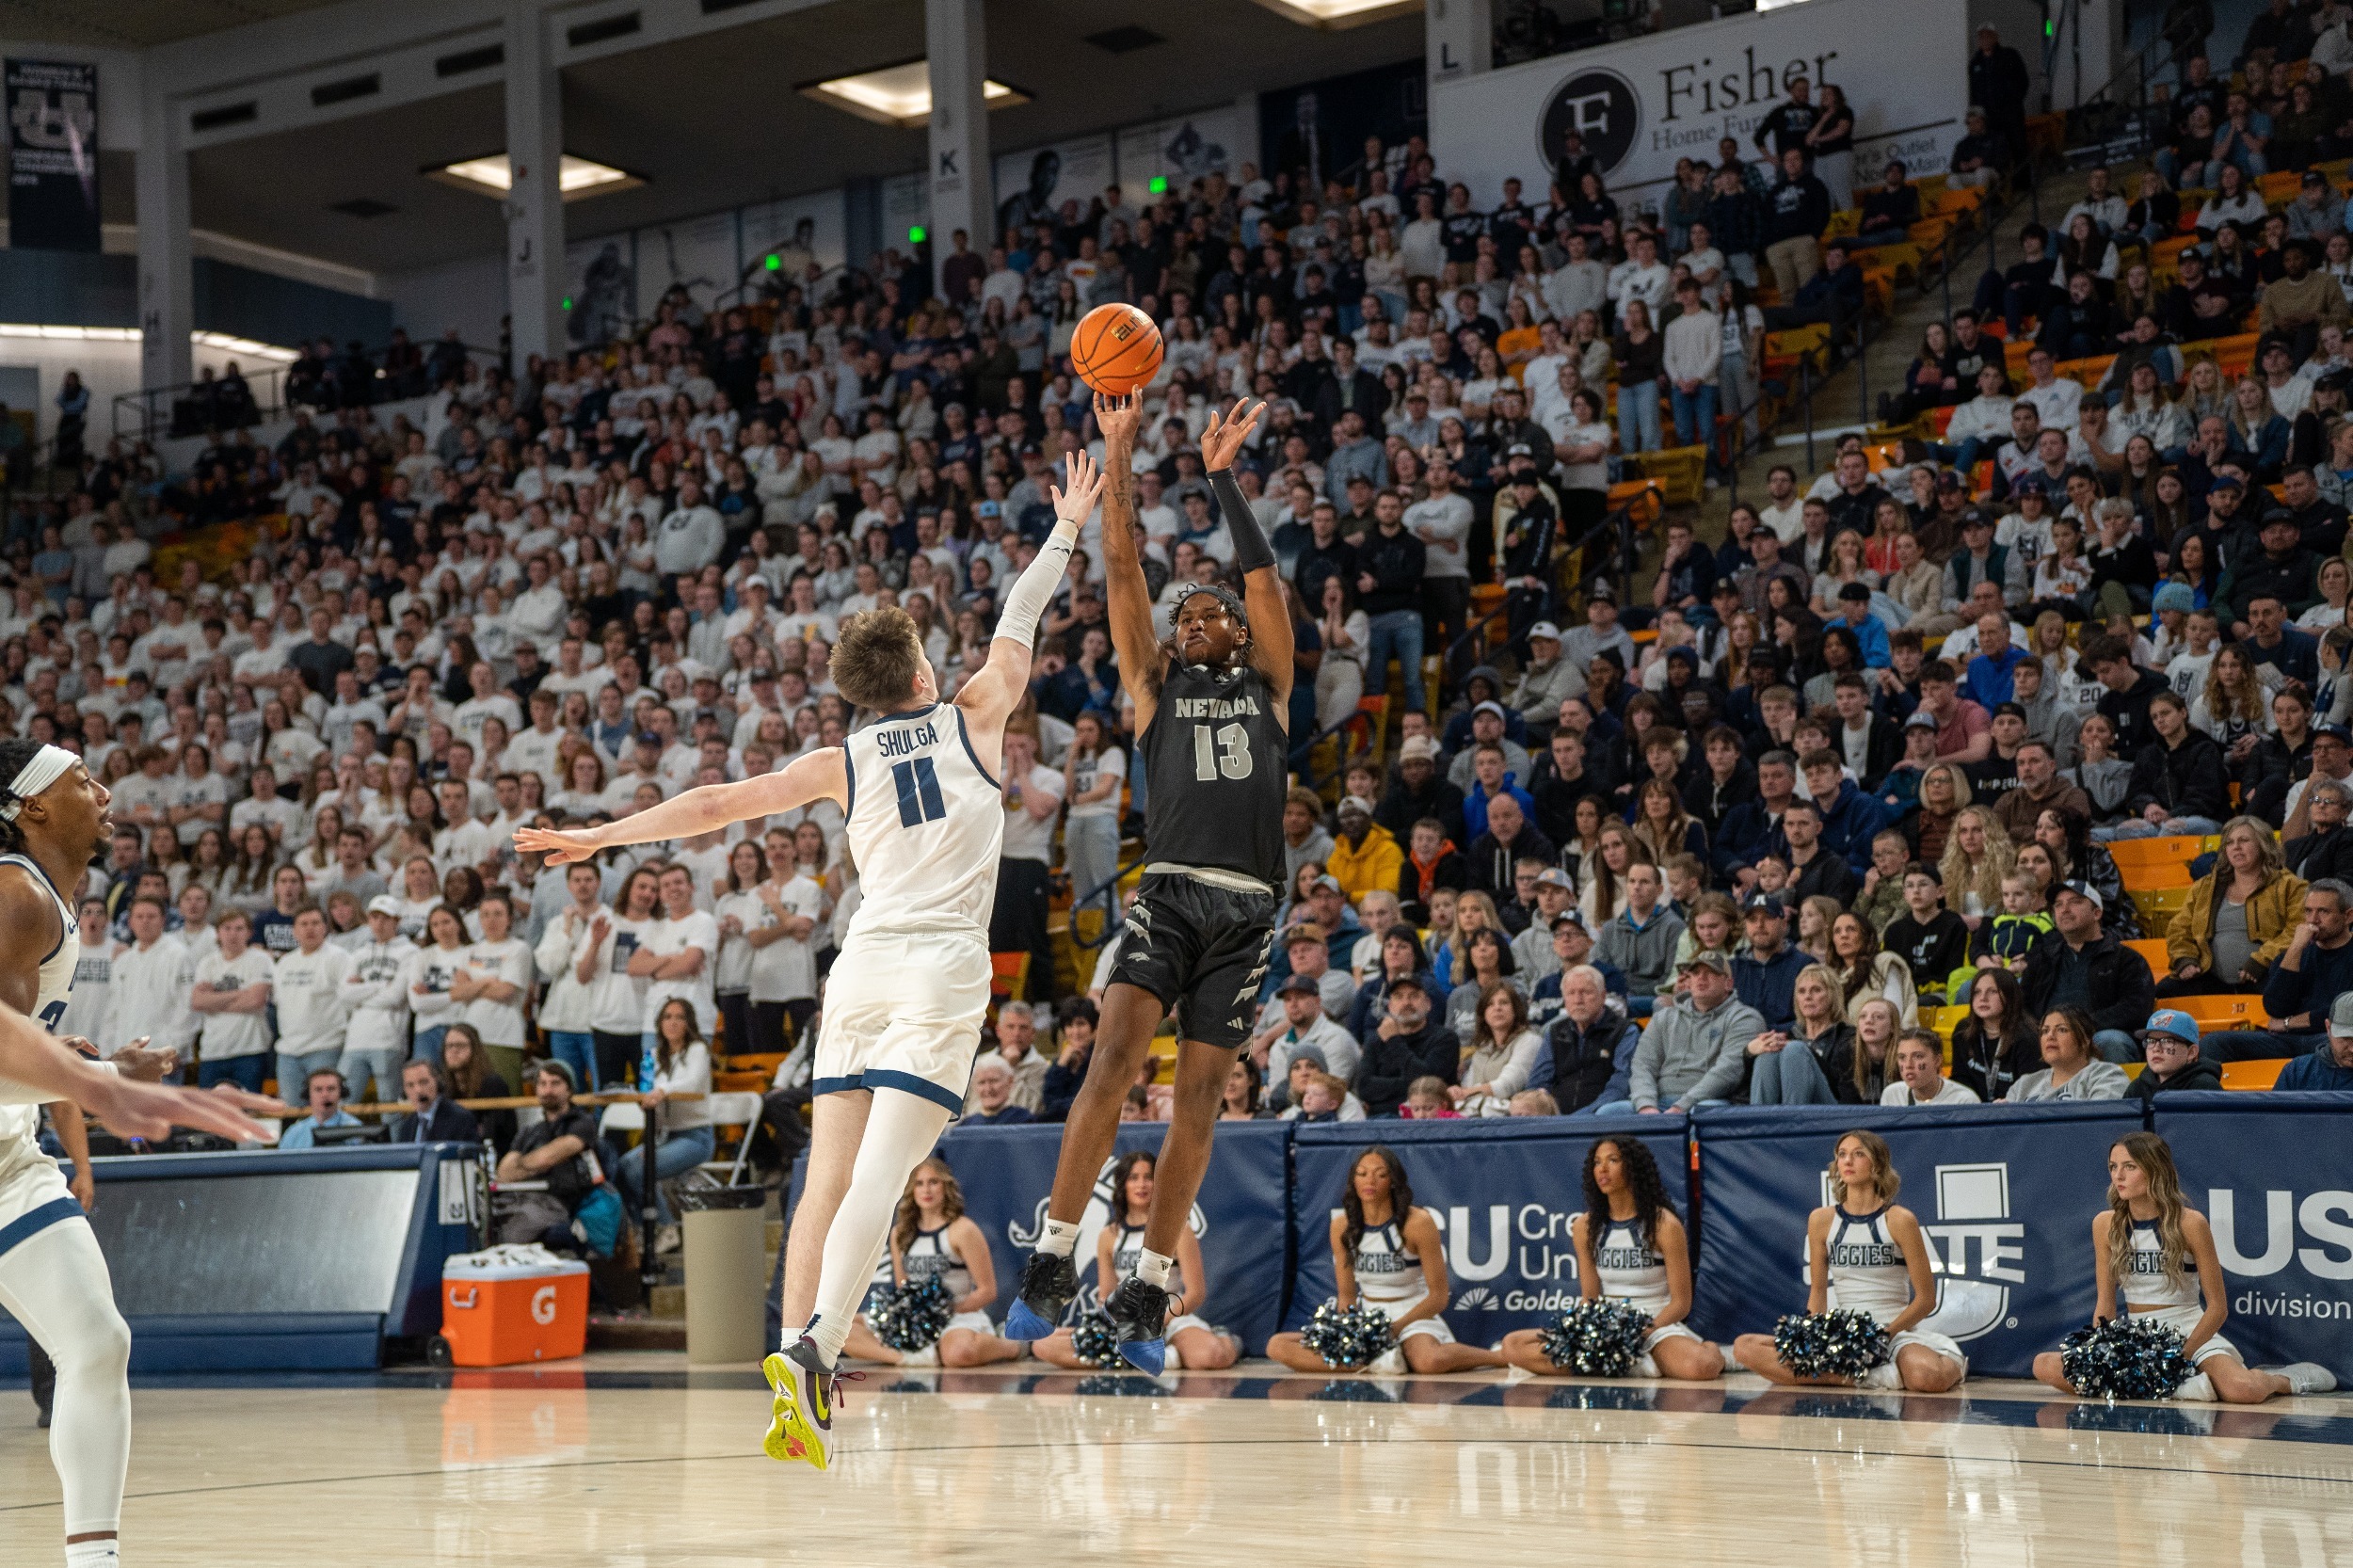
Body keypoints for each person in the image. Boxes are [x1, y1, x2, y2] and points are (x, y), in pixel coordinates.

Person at [515, 442, 1104, 1472]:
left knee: (828, 1173)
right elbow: (1021, 615)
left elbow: (715, 803)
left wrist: (600, 836)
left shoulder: (841, 759)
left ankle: (798, 1352)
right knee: (883, 1173)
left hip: (859, 966)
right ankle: (813, 1348)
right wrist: (1066, 527)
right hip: (940, 969)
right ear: (922, 673)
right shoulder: (976, 711)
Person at [1004, 399, 1298, 1378]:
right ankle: (1054, 1252)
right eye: (1189, 616)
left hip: (1248, 907)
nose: (1201, 618)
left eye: (1214, 611)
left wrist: (1221, 479)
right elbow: (1124, 568)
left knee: (1201, 1097)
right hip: (1168, 895)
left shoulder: (1271, 688)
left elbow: (1265, 578)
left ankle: (1150, 1275)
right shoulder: (1151, 687)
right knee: (1112, 1061)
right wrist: (1121, 450)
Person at [0, 742, 276, 1568]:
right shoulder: (15, 896)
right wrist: (107, 1085)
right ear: (32, 806)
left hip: (10, 1160)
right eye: (81, 779)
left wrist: (94, 1070)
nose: (105, 791)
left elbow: (20, 1050)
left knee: (95, 1341)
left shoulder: (43, 898)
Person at [2032, 1132, 2334, 1402]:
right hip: (2134, 1336)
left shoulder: (2190, 1223)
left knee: (2242, 1389)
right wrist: (2101, 1352)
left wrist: (2178, 1358)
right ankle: (2180, 1387)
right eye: (2113, 1166)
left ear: (2155, 1170)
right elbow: (2105, 1306)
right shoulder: (2105, 1224)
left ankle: (2281, 1379)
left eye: (2130, 1167)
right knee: (2044, 1365)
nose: (2118, 1176)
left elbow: (2218, 1308)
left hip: (2189, 1330)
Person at [1733, 1130, 1968, 1392]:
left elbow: (1926, 1300)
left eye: (1858, 1154)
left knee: (1926, 1376)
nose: (1847, 1161)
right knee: (1745, 1347)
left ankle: (1931, 1365)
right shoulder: (1821, 1220)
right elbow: (1818, 1294)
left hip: (1893, 1331)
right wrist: (1812, 1338)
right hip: (1843, 1335)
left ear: (1877, 1165)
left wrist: (1883, 1335)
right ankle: (1872, 1377)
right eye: (1842, 1154)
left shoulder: (1899, 1220)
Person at [1265, 1146, 1505, 1374]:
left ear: (1392, 1181)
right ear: (1353, 1181)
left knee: (1429, 1361)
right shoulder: (1341, 1225)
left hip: (1413, 1314)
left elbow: (1439, 1297)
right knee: (1278, 1346)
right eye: (1362, 1174)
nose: (1369, 1181)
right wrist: (1348, 1332)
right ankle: (1377, 1363)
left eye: (1380, 1175)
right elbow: (1347, 1296)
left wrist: (1395, 1328)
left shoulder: (1418, 1222)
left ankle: (1499, 1356)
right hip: (1368, 1315)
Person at [1499, 1136, 1722, 1380]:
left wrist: (1645, 1331)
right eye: (1597, 1162)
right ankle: (1631, 1364)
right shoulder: (1584, 1226)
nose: (1602, 1169)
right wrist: (1588, 1332)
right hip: (1606, 1328)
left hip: (1656, 1325)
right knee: (1514, 1344)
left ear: (1633, 1168)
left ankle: (1707, 1350)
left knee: (1700, 1366)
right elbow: (1590, 1298)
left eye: (1613, 1160)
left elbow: (1681, 1303)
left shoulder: (1664, 1224)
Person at [1032, 1150, 1239, 1371]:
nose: (1142, 1185)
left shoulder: (1179, 1229)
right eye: (1133, 1178)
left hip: (1171, 1318)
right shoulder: (1109, 1235)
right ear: (1122, 1185)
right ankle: (1162, 1358)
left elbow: (1196, 1293)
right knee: (1043, 1346)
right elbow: (1106, 1296)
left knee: (1210, 1356)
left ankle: (1225, 1340)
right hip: (1128, 1325)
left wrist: (1155, 1322)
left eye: (1149, 1177)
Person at [837, 1157, 1025, 1368]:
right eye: (919, 1183)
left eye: (933, 1182)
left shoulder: (963, 1229)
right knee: (841, 1328)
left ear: (946, 1186)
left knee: (958, 1354)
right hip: (915, 1316)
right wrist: (914, 1316)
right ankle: (908, 1358)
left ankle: (1011, 1346)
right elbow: (902, 1286)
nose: (926, 1190)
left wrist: (945, 1311)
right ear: (912, 1190)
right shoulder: (900, 1233)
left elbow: (987, 1291)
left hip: (957, 1314)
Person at [1594, 951, 1763, 1114]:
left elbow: (1728, 1071)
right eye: (1695, 973)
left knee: (1708, 1112)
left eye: (1711, 973)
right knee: (1608, 1113)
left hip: (1707, 1101)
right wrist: (1646, 1105)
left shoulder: (1744, 1018)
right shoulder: (1663, 1017)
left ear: (1728, 984)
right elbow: (1642, 1065)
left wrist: (1681, 1106)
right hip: (1657, 1102)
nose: (1701, 978)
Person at [2160, 815, 2305, 997]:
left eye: (2244, 840)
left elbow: (2298, 930)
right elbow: (2179, 928)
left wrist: (2262, 961)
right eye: (2229, 842)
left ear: (2263, 845)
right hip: (2209, 977)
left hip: (2267, 973)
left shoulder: (2290, 886)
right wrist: (2185, 958)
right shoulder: (2205, 887)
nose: (2236, 847)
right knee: (2161, 993)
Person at [615, 998, 716, 1256]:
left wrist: (661, 1091)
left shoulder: (698, 1050)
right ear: (660, 1023)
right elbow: (649, 1094)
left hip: (695, 1136)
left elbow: (692, 1083)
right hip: (664, 1135)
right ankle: (641, 1228)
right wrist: (646, 1102)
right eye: (667, 1017)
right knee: (623, 1166)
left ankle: (665, 1226)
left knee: (640, 1169)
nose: (673, 1022)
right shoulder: (653, 1056)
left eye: (679, 1017)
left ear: (689, 1023)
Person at [2020, 880, 2155, 1063]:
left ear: (2096, 913)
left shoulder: (2127, 959)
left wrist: (2081, 1025)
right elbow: (2022, 1005)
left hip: (2098, 1034)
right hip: (2048, 1035)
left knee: (2110, 1041)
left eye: (2075, 902)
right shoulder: (2042, 959)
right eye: (2058, 905)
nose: (2064, 909)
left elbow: (2135, 1008)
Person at [2008, 1006, 2130, 1101]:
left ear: (2085, 1039)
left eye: (2062, 1030)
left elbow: (2100, 1123)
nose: (2050, 1036)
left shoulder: (2106, 1076)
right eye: (2045, 1031)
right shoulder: (2023, 1085)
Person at [2126, 1008, 2222, 1100]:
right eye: (2151, 1041)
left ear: (2191, 1052)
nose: (2156, 1048)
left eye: (2167, 1041)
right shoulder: (2137, 1088)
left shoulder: (2205, 1087)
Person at [392, 1056, 480, 1144]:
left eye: (423, 1082)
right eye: (410, 1085)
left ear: (437, 1082)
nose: (418, 1090)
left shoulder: (460, 1119)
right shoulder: (407, 1126)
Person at [1881, 1027, 1980, 1105]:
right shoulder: (1892, 1095)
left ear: (1937, 1061)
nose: (1908, 1065)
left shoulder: (1964, 1100)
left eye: (1918, 1056)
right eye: (1902, 1057)